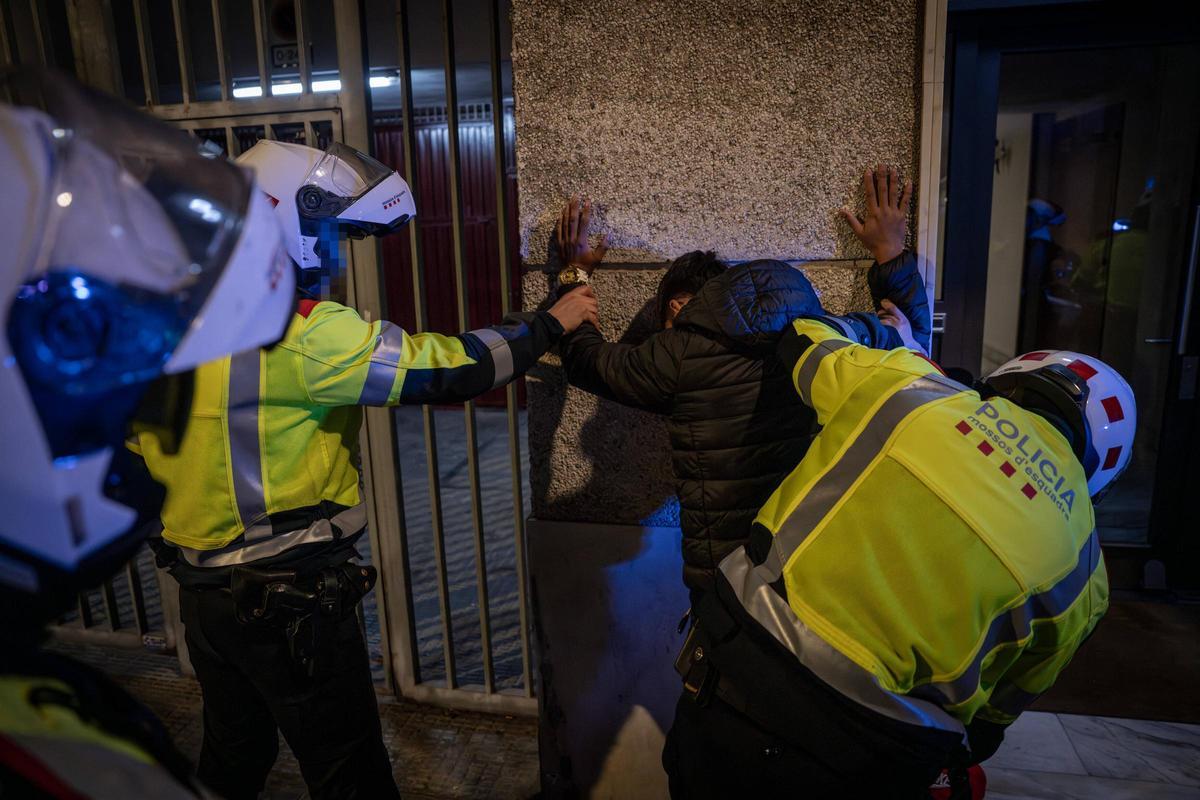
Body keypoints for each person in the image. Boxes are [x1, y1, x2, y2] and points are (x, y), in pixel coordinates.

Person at [132, 138, 599, 800]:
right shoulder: (300, 331)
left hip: (203, 601)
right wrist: (552, 319)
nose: (331, 252)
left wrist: (174, 543)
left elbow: (131, 458)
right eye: (324, 231)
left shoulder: (168, 323)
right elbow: (449, 368)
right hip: (290, 601)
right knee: (349, 772)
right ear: (280, 223)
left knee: (234, 754)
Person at [662, 294, 1135, 795]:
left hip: (741, 670)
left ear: (1009, 380)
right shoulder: (1088, 574)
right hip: (876, 750)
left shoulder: (911, 387)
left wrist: (883, 336)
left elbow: (804, 340)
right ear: (1099, 471)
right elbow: (997, 716)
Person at [0, 68, 295, 797]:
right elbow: (441, 367)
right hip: (275, 584)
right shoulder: (57, 764)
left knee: (234, 740)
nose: (126, 421)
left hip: (205, 583)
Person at [553, 165, 931, 600]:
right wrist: (889, 248)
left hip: (731, 584)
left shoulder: (678, 355)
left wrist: (573, 273)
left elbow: (584, 358)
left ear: (677, 308)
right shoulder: (818, 334)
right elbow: (909, 344)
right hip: (820, 566)